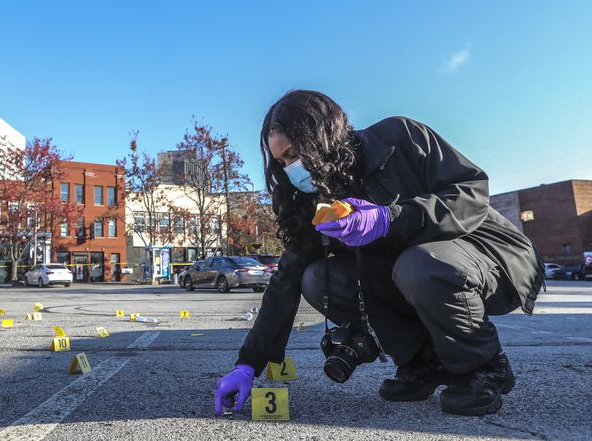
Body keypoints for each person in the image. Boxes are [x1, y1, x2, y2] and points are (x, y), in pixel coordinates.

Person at [214, 90, 544, 416]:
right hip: (417, 278)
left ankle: (484, 366)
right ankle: (421, 362)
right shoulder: (317, 201)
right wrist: (247, 365)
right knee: (316, 279)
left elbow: (471, 193)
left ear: (322, 136)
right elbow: (287, 277)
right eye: (282, 162)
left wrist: (390, 217)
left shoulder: (400, 138)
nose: (291, 168)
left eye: (294, 154)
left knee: (419, 263)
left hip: (492, 258)